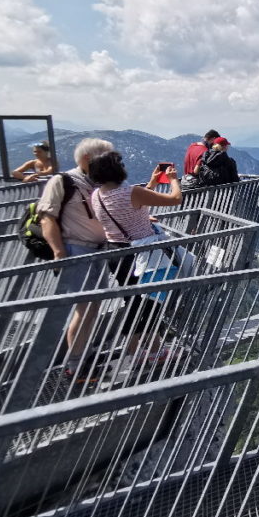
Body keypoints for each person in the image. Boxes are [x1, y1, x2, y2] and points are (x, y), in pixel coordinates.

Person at [88, 150, 183, 385]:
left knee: (134, 301)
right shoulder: (131, 192)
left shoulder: (96, 196)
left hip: (115, 253)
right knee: (148, 303)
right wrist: (172, 180)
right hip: (141, 255)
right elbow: (175, 199)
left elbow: (126, 211)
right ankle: (147, 352)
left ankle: (142, 350)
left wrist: (151, 183)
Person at [35, 137, 114, 381]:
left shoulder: (98, 182)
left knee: (92, 308)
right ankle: (76, 366)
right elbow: (46, 217)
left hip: (97, 251)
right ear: (88, 159)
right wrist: (59, 254)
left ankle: (83, 357)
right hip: (77, 251)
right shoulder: (62, 181)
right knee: (84, 308)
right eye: (106, 157)